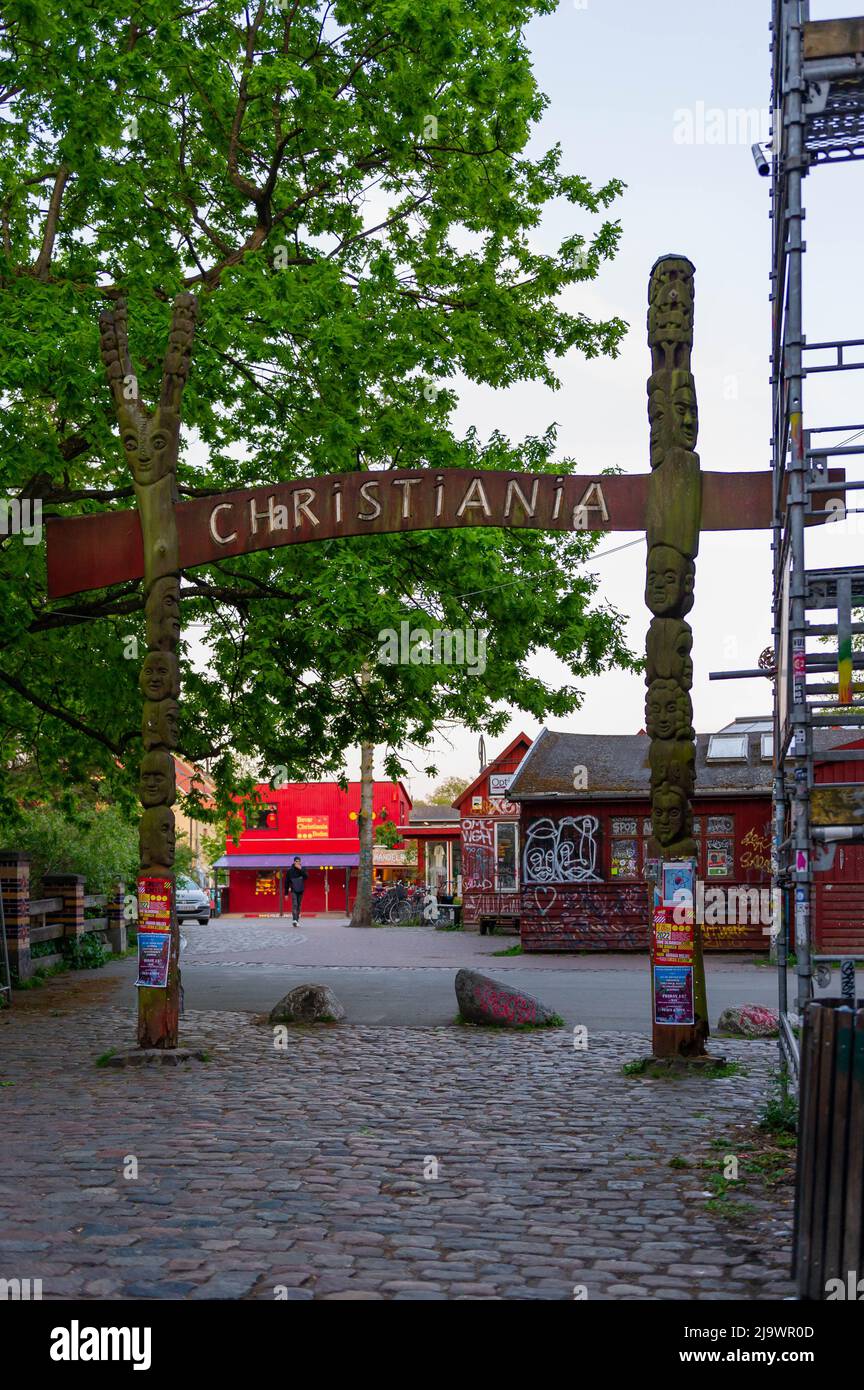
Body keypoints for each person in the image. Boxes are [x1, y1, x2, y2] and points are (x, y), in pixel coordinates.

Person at [285, 857, 307, 927]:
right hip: (293, 889)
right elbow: (286, 882)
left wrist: (300, 869)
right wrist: (286, 893)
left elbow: (306, 877)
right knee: (295, 904)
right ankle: (294, 920)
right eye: (296, 861)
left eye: (299, 861)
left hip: (301, 889)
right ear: (294, 862)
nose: (298, 862)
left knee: (299, 906)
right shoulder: (290, 871)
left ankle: (297, 920)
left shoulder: (303, 869)